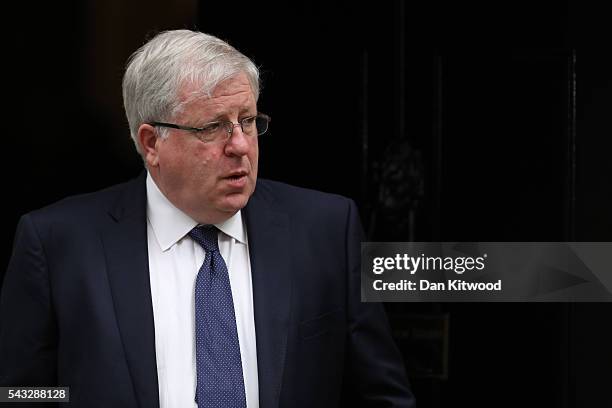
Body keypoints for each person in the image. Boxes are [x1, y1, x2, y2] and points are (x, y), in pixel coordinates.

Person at [0, 29, 415, 407]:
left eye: (248, 121)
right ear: (151, 143)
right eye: (213, 127)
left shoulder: (326, 229)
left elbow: (380, 393)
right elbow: (24, 394)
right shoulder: (57, 243)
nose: (240, 145)